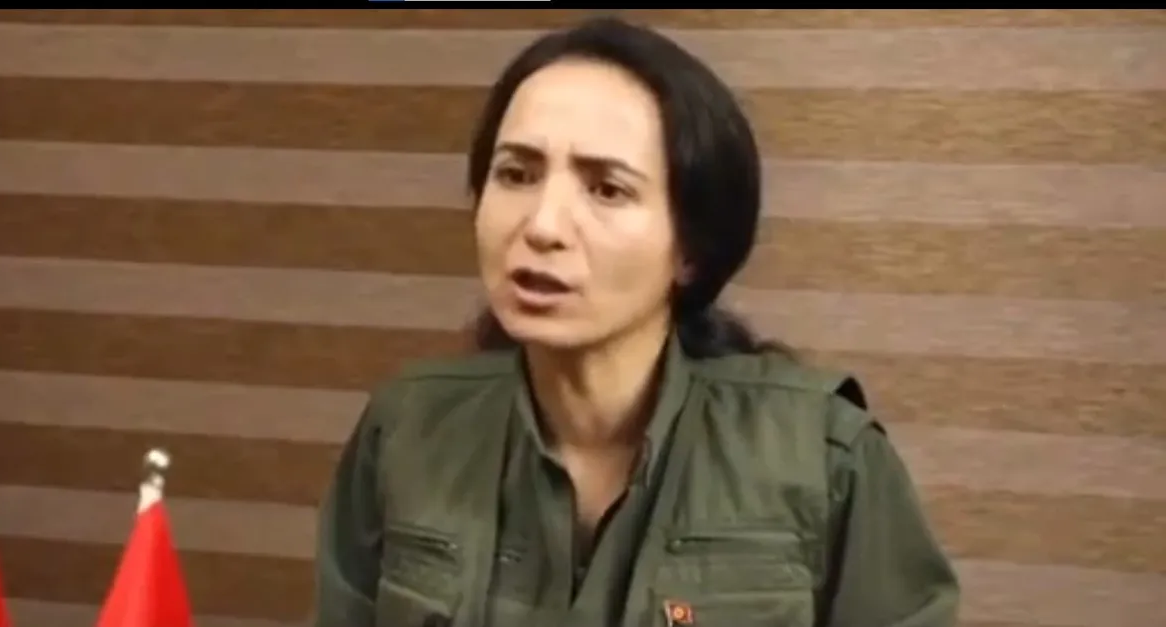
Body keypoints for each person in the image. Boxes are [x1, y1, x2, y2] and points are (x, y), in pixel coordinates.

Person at [314, 16, 959, 627]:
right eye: (516, 174)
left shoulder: (824, 456)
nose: (542, 226)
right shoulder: (405, 432)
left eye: (607, 189)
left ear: (690, 250)